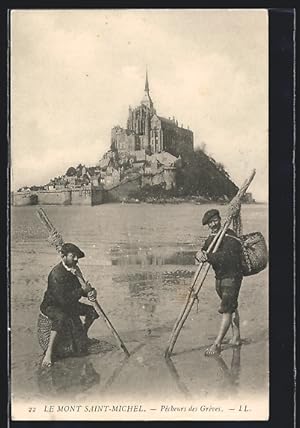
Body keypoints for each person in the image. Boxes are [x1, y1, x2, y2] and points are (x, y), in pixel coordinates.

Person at [40, 243, 99, 368]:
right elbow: (62, 299)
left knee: (92, 312)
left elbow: (82, 288)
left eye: (77, 256)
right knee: (61, 318)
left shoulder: (75, 269)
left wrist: (91, 291)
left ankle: (83, 335)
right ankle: (49, 352)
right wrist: (83, 291)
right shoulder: (55, 274)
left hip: (69, 303)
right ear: (63, 256)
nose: (77, 259)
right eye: (73, 256)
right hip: (53, 305)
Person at [196, 209, 243, 356]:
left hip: (232, 276)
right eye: (210, 222)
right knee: (231, 306)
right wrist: (198, 254)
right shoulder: (211, 237)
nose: (213, 224)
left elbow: (226, 257)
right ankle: (236, 338)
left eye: (215, 220)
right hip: (220, 277)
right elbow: (204, 250)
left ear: (220, 219)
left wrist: (208, 256)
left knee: (226, 309)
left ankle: (217, 344)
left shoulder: (230, 236)